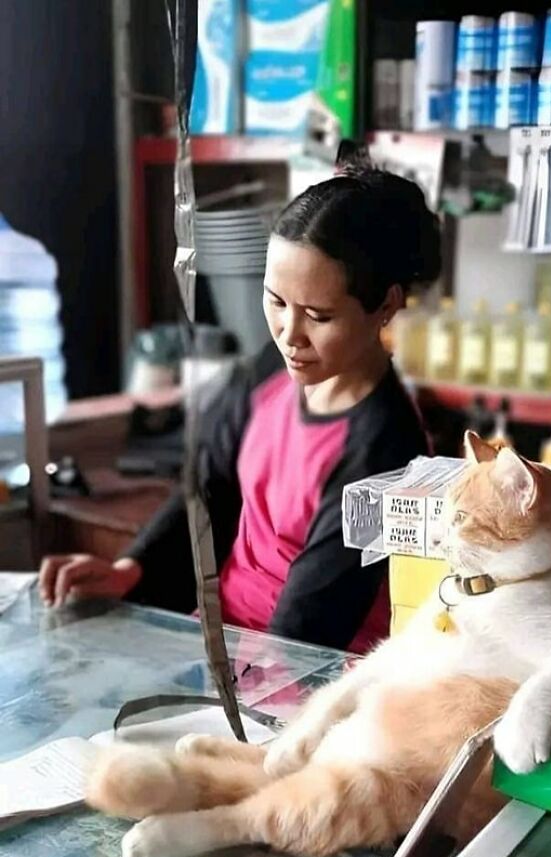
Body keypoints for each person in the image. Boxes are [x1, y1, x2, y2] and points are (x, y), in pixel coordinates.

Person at [39, 167, 441, 651]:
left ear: (386, 304)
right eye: (275, 301)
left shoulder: (387, 448)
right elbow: (209, 487)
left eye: (319, 316)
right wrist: (131, 570)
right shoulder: (273, 369)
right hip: (224, 639)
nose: (290, 334)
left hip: (301, 676)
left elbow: (311, 629)